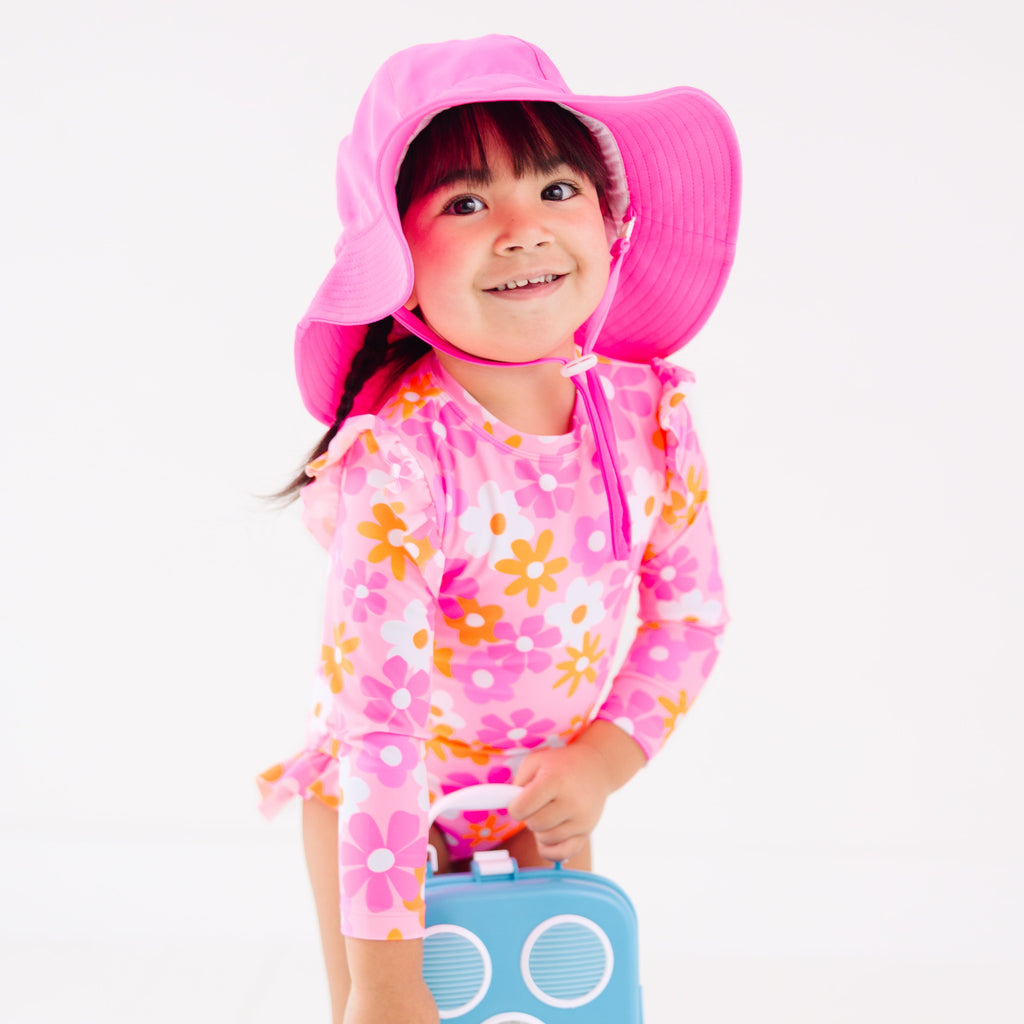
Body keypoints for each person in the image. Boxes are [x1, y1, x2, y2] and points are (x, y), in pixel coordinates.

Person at [258, 34, 740, 1024]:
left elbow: (687, 618)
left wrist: (596, 762)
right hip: (383, 804)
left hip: (544, 789)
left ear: (613, 226)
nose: (522, 229)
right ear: (396, 261)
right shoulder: (398, 460)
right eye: (467, 204)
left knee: (565, 1004)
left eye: (557, 190)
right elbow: (379, 725)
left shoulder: (650, 416)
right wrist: (385, 981)